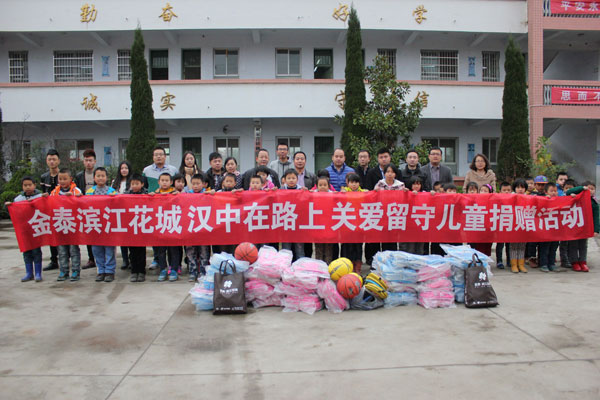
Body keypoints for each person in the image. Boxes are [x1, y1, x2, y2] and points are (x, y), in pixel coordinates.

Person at [143, 146, 178, 269]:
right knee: (156, 233)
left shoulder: (173, 170)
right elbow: (144, 187)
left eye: (161, 154)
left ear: (165, 156)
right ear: (153, 157)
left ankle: (172, 262)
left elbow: (178, 185)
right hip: (154, 207)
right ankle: (156, 259)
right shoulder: (146, 170)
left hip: (170, 208)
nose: (158, 156)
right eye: (156, 154)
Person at [5, 176, 43, 282]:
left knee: (36, 251)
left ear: (34, 185)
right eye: (25, 185)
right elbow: (13, 212)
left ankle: (38, 273)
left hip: (36, 229)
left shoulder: (40, 196)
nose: (27, 187)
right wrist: (8, 206)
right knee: (26, 252)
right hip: (24, 230)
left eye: (30, 185)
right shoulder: (18, 199)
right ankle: (29, 273)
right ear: (22, 186)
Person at [49, 168, 83, 281]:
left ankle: (76, 271)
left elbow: (83, 203)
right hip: (59, 225)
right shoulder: (54, 192)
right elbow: (49, 204)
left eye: (65, 179)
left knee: (73, 250)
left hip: (73, 225)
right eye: (60, 179)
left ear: (70, 179)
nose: (62, 181)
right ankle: (63, 271)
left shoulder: (76, 191)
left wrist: (74, 198)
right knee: (62, 251)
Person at [86, 167, 118, 282]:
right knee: (96, 249)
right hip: (95, 224)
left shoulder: (112, 192)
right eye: (98, 176)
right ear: (94, 178)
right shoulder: (89, 192)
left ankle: (110, 271)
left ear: (107, 178)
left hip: (108, 225)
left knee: (109, 250)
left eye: (103, 176)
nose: (100, 178)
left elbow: (118, 205)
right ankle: (101, 270)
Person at [151, 173, 182, 282]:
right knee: (161, 250)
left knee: (173, 249)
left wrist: (179, 195)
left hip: (173, 225)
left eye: (167, 180)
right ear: (158, 182)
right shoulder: (155, 193)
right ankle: (163, 269)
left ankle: (173, 269)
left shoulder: (175, 193)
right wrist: (150, 197)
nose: (164, 182)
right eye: (162, 180)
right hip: (160, 226)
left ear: (171, 182)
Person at [183, 173, 210, 282]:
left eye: (198, 183)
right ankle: (192, 271)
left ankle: (203, 271)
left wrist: (212, 193)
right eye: (193, 184)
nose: (195, 186)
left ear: (203, 184)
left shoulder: (207, 193)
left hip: (203, 228)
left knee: (204, 252)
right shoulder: (186, 194)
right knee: (190, 251)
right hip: (190, 228)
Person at [567, 181, 598, 272]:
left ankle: (583, 262)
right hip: (574, 226)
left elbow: (596, 217)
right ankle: (574, 262)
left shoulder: (594, 203)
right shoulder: (577, 197)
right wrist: (581, 188)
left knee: (583, 245)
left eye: (592, 189)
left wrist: (596, 230)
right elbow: (568, 192)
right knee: (573, 244)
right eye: (589, 188)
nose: (590, 191)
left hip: (585, 228)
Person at [75, 149, 97, 270]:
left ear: (95, 161)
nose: (88, 163)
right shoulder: (79, 176)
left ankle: (100, 258)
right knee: (88, 232)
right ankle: (91, 258)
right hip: (84, 208)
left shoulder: (99, 173)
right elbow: (76, 190)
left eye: (90, 160)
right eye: (86, 160)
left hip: (98, 208)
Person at [124, 174, 148, 282]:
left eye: (137, 183)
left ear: (142, 184)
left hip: (142, 226)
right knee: (132, 251)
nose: (134, 186)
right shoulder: (126, 194)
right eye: (132, 184)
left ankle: (141, 271)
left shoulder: (146, 194)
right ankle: (134, 271)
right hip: (131, 227)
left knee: (141, 251)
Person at [374, 164, 403, 252]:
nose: (390, 174)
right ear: (384, 173)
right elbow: (374, 197)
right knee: (383, 238)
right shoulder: (380, 184)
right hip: (382, 215)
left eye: (392, 172)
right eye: (388, 172)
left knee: (393, 239)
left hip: (394, 214)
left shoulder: (400, 185)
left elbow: (403, 200)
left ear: (395, 174)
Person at [341, 173, 366, 273]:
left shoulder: (364, 192)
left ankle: (358, 265)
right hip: (347, 223)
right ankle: (348, 265)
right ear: (348, 183)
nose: (354, 184)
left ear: (359, 183)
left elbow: (372, 195)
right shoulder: (344, 191)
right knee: (348, 246)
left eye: (356, 182)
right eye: (352, 182)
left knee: (358, 246)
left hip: (359, 224)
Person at [40, 149, 61, 271]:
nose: (52, 162)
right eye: (49, 159)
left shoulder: (63, 175)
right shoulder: (44, 177)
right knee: (52, 236)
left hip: (63, 211)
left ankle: (65, 258)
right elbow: (42, 193)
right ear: (46, 161)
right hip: (49, 211)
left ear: (58, 161)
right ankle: (54, 260)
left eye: (54, 159)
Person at [112, 160, 132, 270]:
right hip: (119, 213)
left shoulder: (132, 181)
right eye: (122, 168)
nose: (124, 170)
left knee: (131, 238)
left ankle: (131, 259)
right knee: (122, 238)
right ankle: (125, 259)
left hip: (130, 213)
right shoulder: (115, 182)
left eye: (126, 168)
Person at [281, 169, 305, 260]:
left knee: (299, 248)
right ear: (284, 179)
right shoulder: (281, 190)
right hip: (285, 223)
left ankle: (300, 265)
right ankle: (285, 265)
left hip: (298, 223)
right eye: (289, 178)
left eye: (293, 178)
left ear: (297, 179)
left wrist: (308, 193)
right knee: (286, 248)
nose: (291, 180)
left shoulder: (302, 190)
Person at [539, 182, 560, 273]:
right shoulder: (542, 200)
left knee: (553, 247)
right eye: (551, 191)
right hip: (545, 229)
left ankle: (551, 263)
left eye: (555, 191)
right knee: (545, 247)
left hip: (555, 229)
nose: (554, 193)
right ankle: (543, 264)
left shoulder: (560, 200)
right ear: (546, 192)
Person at [509, 179, 529, 273]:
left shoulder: (529, 197)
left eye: (522, 187)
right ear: (514, 188)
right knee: (513, 246)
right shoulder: (510, 197)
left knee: (522, 246)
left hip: (524, 225)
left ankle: (521, 264)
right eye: (518, 187)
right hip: (513, 225)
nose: (520, 189)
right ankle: (514, 264)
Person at [313, 176, 334, 264]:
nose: (322, 187)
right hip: (317, 225)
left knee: (329, 247)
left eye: (325, 185)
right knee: (318, 247)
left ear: (329, 186)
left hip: (329, 225)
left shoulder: (333, 195)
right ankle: (319, 265)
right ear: (317, 186)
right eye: (320, 185)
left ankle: (328, 265)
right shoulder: (312, 194)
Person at [495, 182, 512, 269]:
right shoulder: (497, 200)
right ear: (500, 191)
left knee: (509, 245)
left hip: (510, 225)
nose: (506, 192)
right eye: (504, 190)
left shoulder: (514, 199)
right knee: (500, 245)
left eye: (508, 190)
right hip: (500, 226)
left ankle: (509, 260)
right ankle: (499, 261)